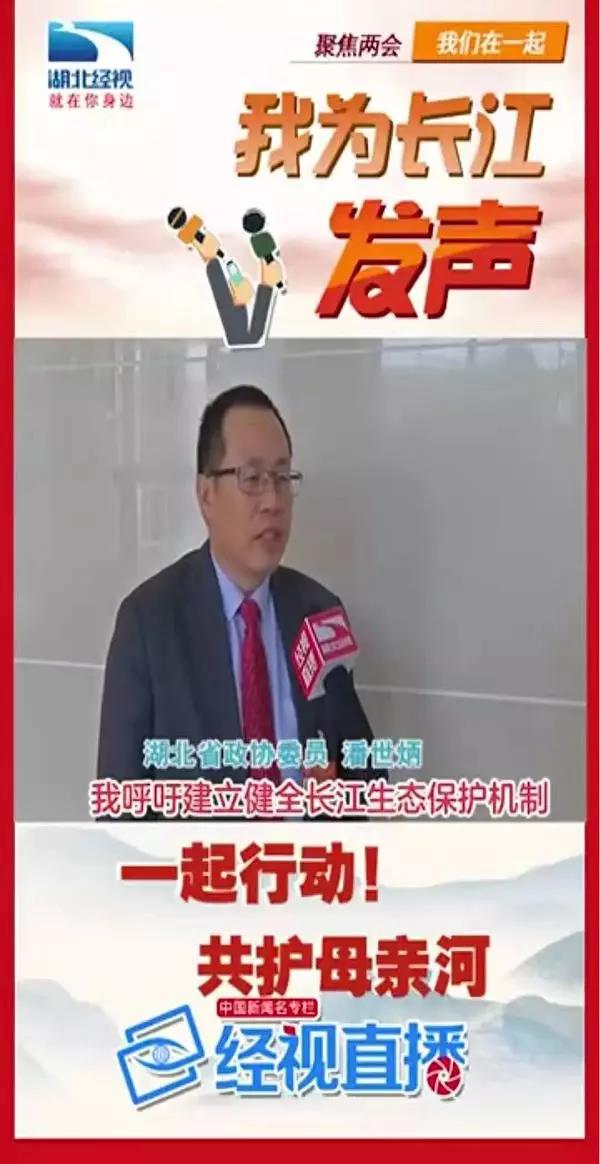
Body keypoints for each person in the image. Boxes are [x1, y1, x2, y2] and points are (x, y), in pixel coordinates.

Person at [97, 385, 380, 784]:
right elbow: (121, 803)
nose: (273, 501)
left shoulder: (319, 612)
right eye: (252, 478)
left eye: (282, 477)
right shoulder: (148, 623)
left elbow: (364, 770)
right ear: (206, 495)